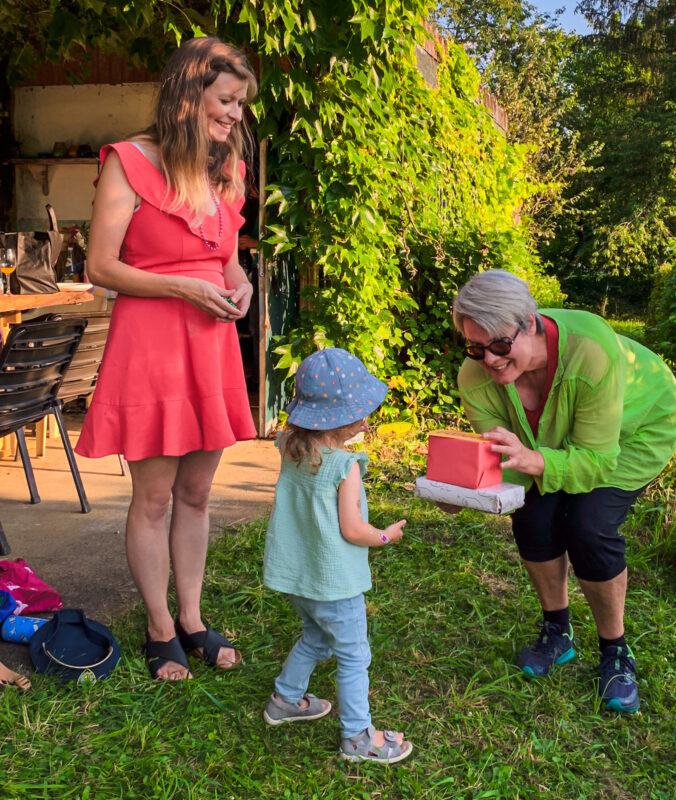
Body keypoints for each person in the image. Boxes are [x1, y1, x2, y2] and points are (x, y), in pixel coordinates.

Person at [77, 37, 258, 680]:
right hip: (151, 339)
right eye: (227, 100)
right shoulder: (129, 161)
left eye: (241, 103)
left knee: (198, 491)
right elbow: (101, 265)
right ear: (188, 93)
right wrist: (182, 285)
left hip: (210, 341)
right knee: (153, 496)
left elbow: (227, 257)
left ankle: (192, 617)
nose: (236, 114)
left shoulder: (227, 167)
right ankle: (159, 627)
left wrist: (241, 285)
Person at [451, 270, 676, 713]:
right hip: (551, 443)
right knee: (533, 518)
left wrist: (536, 461)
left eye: (500, 345)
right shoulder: (474, 376)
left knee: (588, 526)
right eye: (476, 348)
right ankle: (558, 631)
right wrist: (460, 492)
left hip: (635, 430)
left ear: (532, 323)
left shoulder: (592, 349)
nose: (490, 361)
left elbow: (596, 460)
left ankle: (615, 651)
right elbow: (503, 464)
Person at [262, 348, 413, 764]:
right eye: (361, 412)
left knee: (315, 637)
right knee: (354, 655)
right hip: (334, 585)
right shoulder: (345, 466)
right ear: (340, 420)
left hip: (297, 579)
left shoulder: (289, 448)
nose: (366, 419)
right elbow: (353, 530)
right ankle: (358, 737)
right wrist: (384, 536)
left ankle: (285, 700)